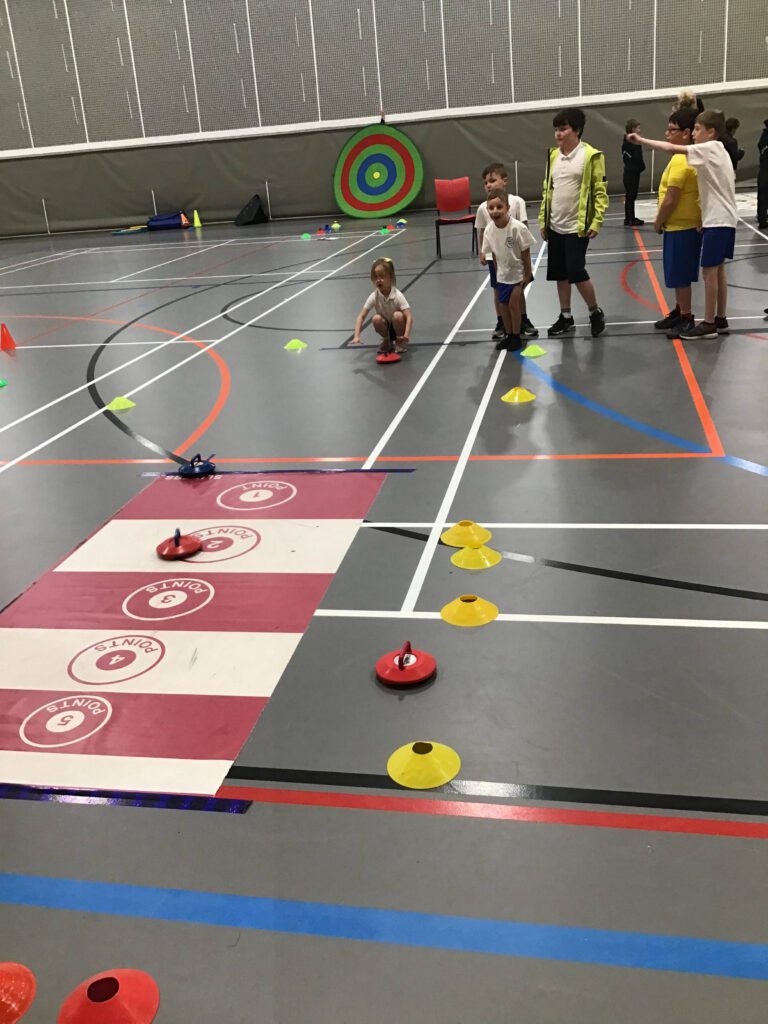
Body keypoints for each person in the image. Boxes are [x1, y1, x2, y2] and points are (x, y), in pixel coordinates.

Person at [629, 109, 736, 339]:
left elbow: (671, 148)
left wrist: (641, 140)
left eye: (697, 129)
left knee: (709, 272)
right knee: (718, 271)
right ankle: (720, 318)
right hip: (724, 218)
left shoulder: (708, 148)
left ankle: (709, 324)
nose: (694, 134)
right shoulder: (721, 151)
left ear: (711, 132)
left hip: (717, 220)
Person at [539, 107, 608, 337]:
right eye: (556, 130)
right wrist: (543, 220)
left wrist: (596, 221)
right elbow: (547, 191)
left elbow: (600, 192)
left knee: (576, 271)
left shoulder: (590, 156)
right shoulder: (553, 156)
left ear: (576, 130)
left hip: (577, 228)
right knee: (560, 274)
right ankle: (566, 317)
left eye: (563, 129)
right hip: (555, 226)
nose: (558, 134)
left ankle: (595, 312)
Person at [652, 107, 702, 336]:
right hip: (678, 227)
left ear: (686, 133)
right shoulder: (679, 158)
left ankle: (687, 317)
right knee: (676, 274)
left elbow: (671, 198)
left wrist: (658, 221)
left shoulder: (682, 160)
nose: (667, 134)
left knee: (680, 276)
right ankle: (679, 310)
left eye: (672, 130)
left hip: (682, 228)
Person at [475, 163, 538, 339]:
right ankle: (501, 321)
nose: (489, 185)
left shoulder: (517, 202)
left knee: (518, 289)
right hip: (495, 255)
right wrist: (482, 251)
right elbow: (482, 230)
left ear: (504, 181)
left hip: (514, 255)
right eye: (486, 183)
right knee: (498, 289)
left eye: (492, 180)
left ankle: (523, 319)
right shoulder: (483, 208)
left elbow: (523, 228)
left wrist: (526, 261)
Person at [481, 188, 535, 352]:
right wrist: (497, 274)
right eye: (491, 208)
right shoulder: (489, 230)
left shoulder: (517, 228)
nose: (495, 211)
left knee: (513, 305)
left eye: (499, 207)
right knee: (503, 306)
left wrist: (527, 274)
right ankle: (509, 335)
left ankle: (517, 336)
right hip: (502, 275)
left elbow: (526, 253)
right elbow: (493, 254)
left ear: (507, 208)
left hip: (518, 274)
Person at [351, 257, 412, 353]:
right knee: (376, 319)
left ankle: (400, 342)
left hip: (399, 326)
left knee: (398, 315)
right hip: (386, 327)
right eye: (375, 277)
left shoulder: (398, 295)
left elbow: (409, 317)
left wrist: (406, 335)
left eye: (382, 277)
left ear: (390, 277)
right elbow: (361, 316)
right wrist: (356, 336)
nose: (378, 280)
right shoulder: (374, 296)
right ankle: (387, 341)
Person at [622, 118, 645, 225]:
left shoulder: (630, 143)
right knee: (630, 196)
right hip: (631, 173)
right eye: (638, 128)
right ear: (633, 129)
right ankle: (629, 219)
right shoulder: (630, 144)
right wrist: (640, 167)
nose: (639, 130)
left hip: (632, 172)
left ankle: (630, 217)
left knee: (631, 196)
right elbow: (636, 159)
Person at [757, 118, 768, 229]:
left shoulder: (763, 138)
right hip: (765, 169)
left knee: (762, 197)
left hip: (763, 170)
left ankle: (762, 218)